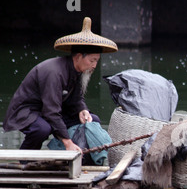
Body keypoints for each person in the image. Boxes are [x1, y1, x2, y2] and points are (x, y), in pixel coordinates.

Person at [3, 17, 118, 152]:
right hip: (29, 111)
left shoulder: (78, 71)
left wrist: (82, 110)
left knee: (92, 120)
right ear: (79, 56)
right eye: (92, 60)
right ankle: (25, 159)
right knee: (42, 129)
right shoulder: (54, 72)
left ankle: (72, 153)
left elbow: (77, 98)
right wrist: (67, 142)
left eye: (96, 61)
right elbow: (51, 111)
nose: (94, 65)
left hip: (51, 110)